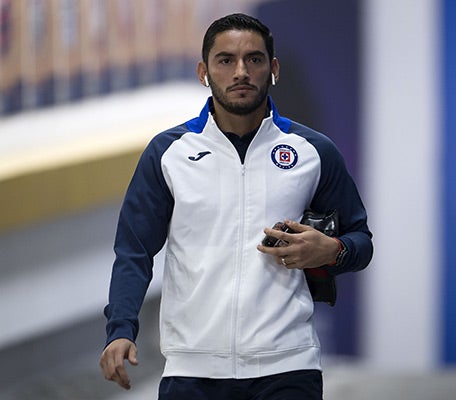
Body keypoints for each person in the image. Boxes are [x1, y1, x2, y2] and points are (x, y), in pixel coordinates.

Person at [99, 13, 373, 399]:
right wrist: (121, 330)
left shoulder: (313, 151)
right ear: (203, 72)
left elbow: (362, 241)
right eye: (226, 60)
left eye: (254, 60)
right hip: (192, 369)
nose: (240, 71)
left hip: (288, 365)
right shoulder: (168, 153)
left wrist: (333, 250)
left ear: (273, 68)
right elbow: (134, 251)